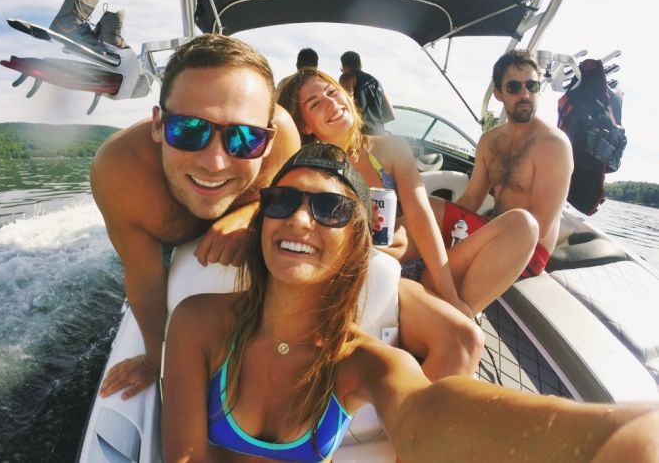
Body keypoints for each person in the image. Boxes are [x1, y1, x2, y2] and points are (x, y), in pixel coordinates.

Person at [162, 143, 659, 463]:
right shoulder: (199, 321)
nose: (299, 220)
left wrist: (613, 444)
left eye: (330, 208)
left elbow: (430, 410)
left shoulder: (363, 362)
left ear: (357, 243)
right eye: (281, 202)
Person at [278, 69, 538, 379]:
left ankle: (444, 315)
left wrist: (450, 295)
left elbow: (420, 214)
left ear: (346, 94)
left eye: (332, 93)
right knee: (464, 337)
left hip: (416, 271)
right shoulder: (312, 166)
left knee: (523, 225)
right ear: (305, 123)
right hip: (378, 277)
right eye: (315, 103)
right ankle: (438, 333)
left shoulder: (388, 149)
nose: (331, 104)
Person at [91, 34, 300, 400]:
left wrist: (255, 211)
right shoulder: (119, 171)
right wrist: (156, 360)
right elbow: (145, 278)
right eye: (189, 130)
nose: (214, 162)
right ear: (157, 125)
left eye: (245, 139)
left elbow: (295, 199)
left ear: (268, 140)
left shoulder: (284, 144)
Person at [447, 49, 574, 277]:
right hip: (492, 230)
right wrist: (434, 222)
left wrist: (472, 239)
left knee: (439, 265)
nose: (525, 94)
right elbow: (471, 200)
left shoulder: (554, 145)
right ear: (498, 93)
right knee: (430, 211)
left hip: (529, 249)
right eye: (515, 87)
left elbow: (538, 226)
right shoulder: (489, 141)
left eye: (532, 86)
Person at [340, 50, 394, 135]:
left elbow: (346, 106)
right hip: (380, 135)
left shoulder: (347, 76)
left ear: (343, 66)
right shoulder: (376, 82)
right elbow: (390, 114)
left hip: (361, 136)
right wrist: (373, 125)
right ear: (360, 64)